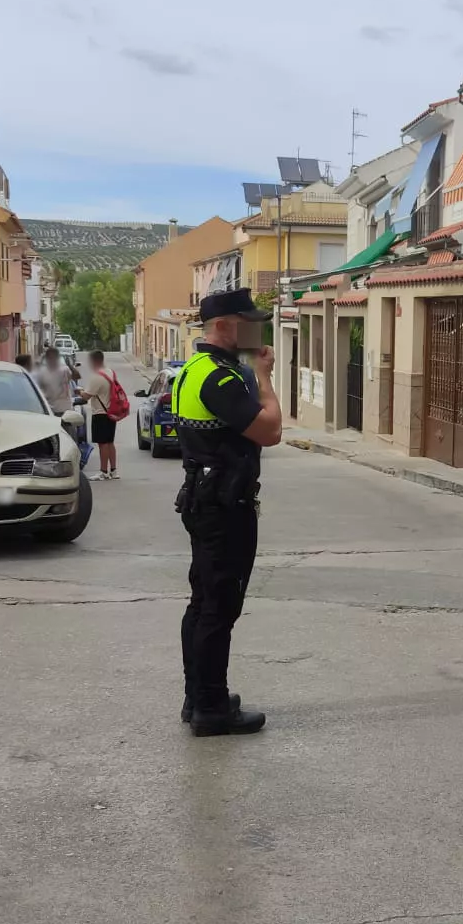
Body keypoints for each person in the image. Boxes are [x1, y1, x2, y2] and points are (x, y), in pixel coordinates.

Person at [174, 288, 282, 737]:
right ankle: (212, 709)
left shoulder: (191, 369)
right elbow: (270, 430)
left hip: (204, 499)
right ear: (223, 325)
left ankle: (198, 695)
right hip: (224, 506)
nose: (255, 329)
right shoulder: (221, 378)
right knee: (219, 606)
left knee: (202, 603)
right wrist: (264, 376)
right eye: (247, 321)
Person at [85, 351, 119, 480]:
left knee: (102, 443)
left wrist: (80, 391)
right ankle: (114, 471)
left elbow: (87, 395)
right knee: (110, 442)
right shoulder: (110, 372)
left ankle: (103, 471)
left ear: (95, 361)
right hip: (111, 412)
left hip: (100, 413)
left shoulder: (97, 376)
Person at [35, 347, 74, 415]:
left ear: (57, 358)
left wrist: (70, 365)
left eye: (54, 357)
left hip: (65, 410)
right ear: (47, 359)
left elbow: (75, 376)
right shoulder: (42, 372)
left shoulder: (65, 370)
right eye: (50, 358)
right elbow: (38, 389)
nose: (52, 360)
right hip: (49, 409)